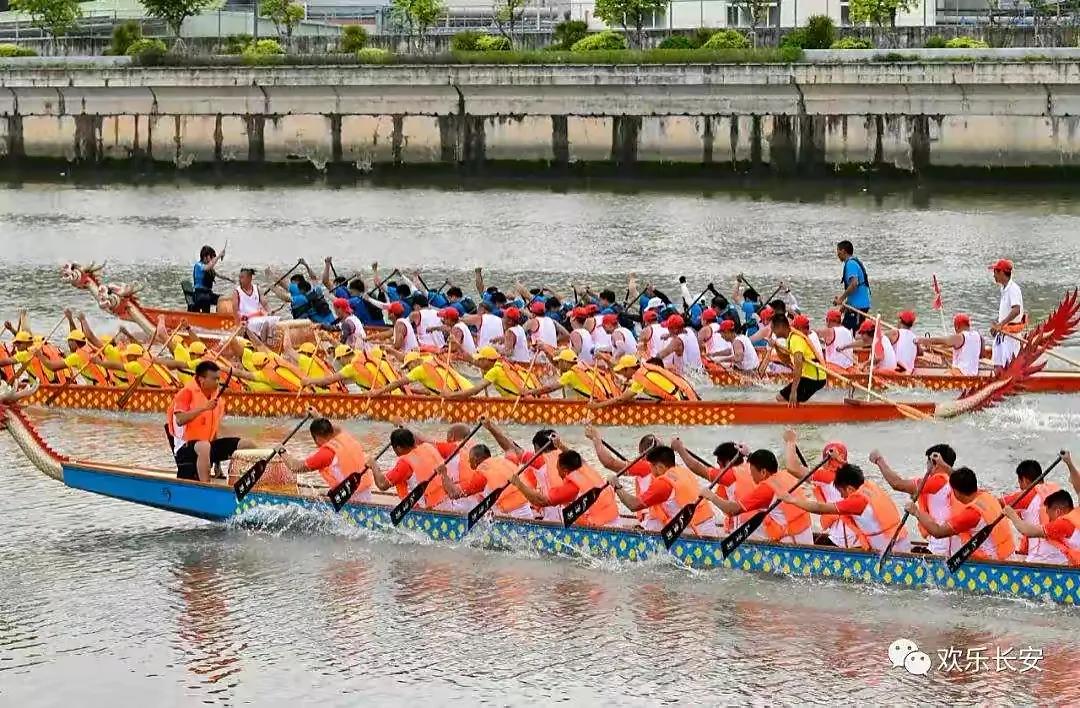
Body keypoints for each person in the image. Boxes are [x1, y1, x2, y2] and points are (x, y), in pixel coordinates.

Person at [778, 461, 910, 553]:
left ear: (850, 489)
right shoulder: (869, 485)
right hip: (898, 540)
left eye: (841, 492)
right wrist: (840, 461)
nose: (841, 496)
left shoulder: (856, 502)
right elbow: (853, 472)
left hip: (890, 548)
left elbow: (819, 508)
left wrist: (792, 500)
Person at [167, 361, 255, 482]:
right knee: (204, 446)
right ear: (202, 380)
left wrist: (218, 465)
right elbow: (180, 420)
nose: (218, 382)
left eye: (218, 379)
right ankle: (206, 486)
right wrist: (204, 408)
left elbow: (213, 432)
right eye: (214, 379)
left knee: (247, 445)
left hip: (206, 446)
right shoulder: (186, 393)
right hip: (185, 449)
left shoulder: (215, 397)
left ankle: (237, 481)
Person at [905, 466, 1016, 562]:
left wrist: (916, 512)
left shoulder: (971, 514)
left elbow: (938, 532)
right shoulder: (987, 496)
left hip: (993, 563)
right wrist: (943, 465)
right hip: (1008, 555)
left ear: (956, 492)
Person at [608, 444, 721, 536]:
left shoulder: (664, 483)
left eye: (651, 467)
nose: (651, 472)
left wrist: (617, 486)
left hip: (694, 532)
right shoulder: (683, 471)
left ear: (660, 467)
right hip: (708, 524)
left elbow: (633, 505)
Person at [708, 449, 814, 544]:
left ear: (763, 472)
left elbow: (733, 510)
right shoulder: (786, 474)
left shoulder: (767, 488)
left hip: (792, 543)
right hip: (805, 535)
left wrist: (711, 496)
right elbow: (762, 463)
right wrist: (748, 454)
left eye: (752, 472)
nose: (751, 475)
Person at [871, 444, 957, 555]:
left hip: (942, 549)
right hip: (944, 544)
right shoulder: (952, 480)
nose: (927, 465)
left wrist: (879, 460)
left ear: (935, 463)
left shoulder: (939, 480)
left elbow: (897, 484)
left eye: (928, 462)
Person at [782, 430, 859, 548]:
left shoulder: (826, 476)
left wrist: (790, 441)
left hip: (844, 539)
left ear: (827, 460)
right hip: (859, 536)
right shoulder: (854, 477)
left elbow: (792, 468)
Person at [508, 448, 619, 527]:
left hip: (601, 529)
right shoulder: (585, 468)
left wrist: (519, 484)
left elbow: (539, 501)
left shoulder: (572, 487)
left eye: (558, 469)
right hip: (614, 520)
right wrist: (560, 444)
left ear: (565, 471)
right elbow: (577, 457)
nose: (557, 473)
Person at [278, 412, 374, 503]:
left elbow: (295, 467)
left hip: (351, 500)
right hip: (366, 493)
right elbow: (334, 427)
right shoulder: (344, 435)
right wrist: (317, 415)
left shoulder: (326, 454)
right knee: (321, 493)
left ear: (317, 438)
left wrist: (281, 451)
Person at [437, 444, 534, 519]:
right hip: (526, 511)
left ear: (475, 459)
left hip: (512, 516)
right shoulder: (502, 462)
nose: (469, 463)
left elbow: (454, 494)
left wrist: (444, 474)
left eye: (470, 460)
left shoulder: (483, 470)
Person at [370, 428, 451, 510]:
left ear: (398, 448)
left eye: (394, 449)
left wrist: (374, 465)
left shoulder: (405, 463)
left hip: (431, 509)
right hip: (448, 499)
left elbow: (382, 485)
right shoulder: (428, 446)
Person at [999, 458, 1061, 561]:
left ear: (1025, 480)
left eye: (1020, 482)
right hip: (1062, 556)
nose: (1020, 487)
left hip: (1040, 558)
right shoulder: (1056, 490)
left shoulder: (1027, 495)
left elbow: (997, 503)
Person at [591, 354, 700, 408]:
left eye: (623, 371)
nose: (623, 375)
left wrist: (597, 406)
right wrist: (605, 359)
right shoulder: (644, 369)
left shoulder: (639, 379)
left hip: (680, 405)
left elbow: (620, 399)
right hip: (686, 397)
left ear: (629, 369)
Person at [770, 313, 826, 405]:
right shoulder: (790, 337)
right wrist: (776, 347)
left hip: (813, 378)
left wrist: (793, 391)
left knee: (781, 398)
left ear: (780, 327)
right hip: (810, 376)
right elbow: (787, 361)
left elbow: (798, 365)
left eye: (773, 328)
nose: (772, 331)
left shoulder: (795, 339)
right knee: (787, 398)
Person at [447, 346, 541, 399]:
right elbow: (476, 362)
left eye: (480, 359)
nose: (478, 362)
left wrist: (451, 395)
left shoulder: (495, 371)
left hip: (522, 401)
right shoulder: (503, 364)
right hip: (532, 397)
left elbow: (475, 391)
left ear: (487, 360)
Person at [367, 351, 473, 397]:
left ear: (415, 362)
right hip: (469, 389)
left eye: (408, 366)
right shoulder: (430, 360)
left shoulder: (419, 370)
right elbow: (430, 391)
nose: (409, 370)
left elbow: (398, 383)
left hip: (458, 397)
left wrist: (379, 392)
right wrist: (413, 390)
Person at [522, 348, 615, 400]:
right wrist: (545, 350)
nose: (558, 365)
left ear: (565, 362)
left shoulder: (570, 374)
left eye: (559, 362)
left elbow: (550, 388)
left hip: (587, 406)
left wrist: (530, 392)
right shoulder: (583, 367)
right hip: (600, 399)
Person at [989, 259, 1025, 372]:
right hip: (1003, 334)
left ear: (1001, 272)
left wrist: (1001, 324)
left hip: (1011, 337)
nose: (993, 275)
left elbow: (1016, 310)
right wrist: (997, 326)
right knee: (997, 365)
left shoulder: (1013, 289)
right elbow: (1006, 311)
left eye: (995, 272)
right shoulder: (1004, 288)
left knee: (1008, 367)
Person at [833, 240, 871, 331]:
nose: (837, 254)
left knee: (848, 331)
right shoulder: (853, 262)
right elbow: (855, 289)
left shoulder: (851, 264)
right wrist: (846, 304)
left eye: (838, 251)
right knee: (845, 330)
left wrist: (841, 299)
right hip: (856, 305)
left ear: (843, 251)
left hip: (858, 307)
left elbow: (854, 284)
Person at [191, 245, 221, 313]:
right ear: (205, 256)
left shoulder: (208, 268)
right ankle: (206, 316)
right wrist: (219, 256)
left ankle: (218, 316)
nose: (211, 260)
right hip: (200, 295)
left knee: (222, 299)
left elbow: (219, 275)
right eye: (211, 258)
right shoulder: (199, 265)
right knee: (205, 299)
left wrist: (230, 279)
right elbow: (207, 267)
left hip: (207, 294)